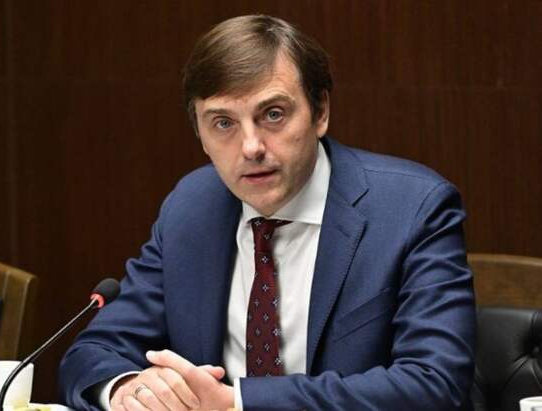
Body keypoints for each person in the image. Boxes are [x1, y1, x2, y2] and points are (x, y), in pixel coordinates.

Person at [59, 15, 475, 411]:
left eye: (273, 114)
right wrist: (129, 388)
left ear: (320, 112)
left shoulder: (412, 208)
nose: (251, 147)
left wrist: (238, 402)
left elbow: (435, 382)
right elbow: (94, 352)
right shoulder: (192, 206)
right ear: (200, 134)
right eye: (223, 123)